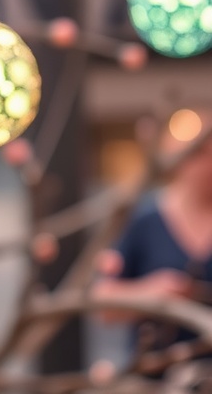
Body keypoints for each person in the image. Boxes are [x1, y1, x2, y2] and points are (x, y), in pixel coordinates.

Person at [94, 123, 212, 384]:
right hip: (156, 380)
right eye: (200, 153)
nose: (208, 164)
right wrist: (151, 293)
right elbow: (101, 304)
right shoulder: (145, 221)